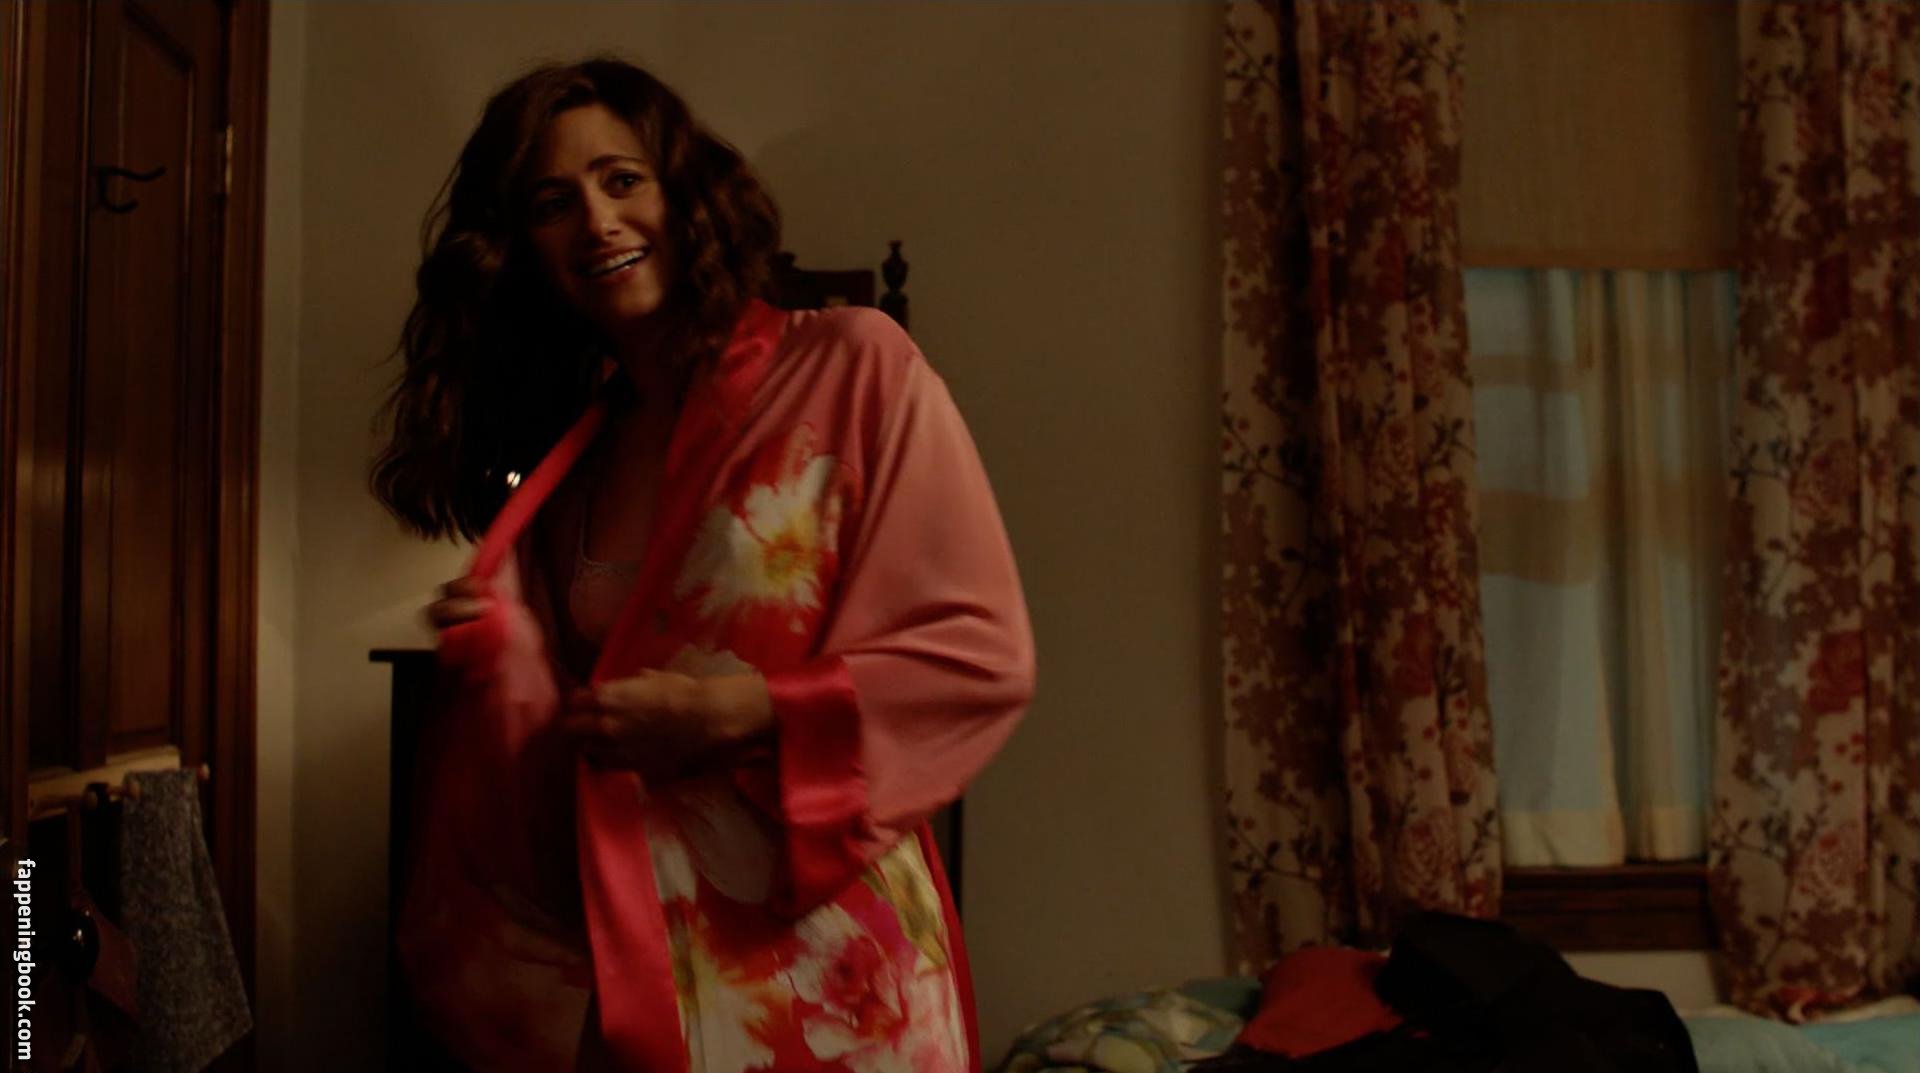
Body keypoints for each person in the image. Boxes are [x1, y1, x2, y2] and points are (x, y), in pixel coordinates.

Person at [369, 56, 1034, 1073]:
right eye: (553, 203)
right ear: (521, 247)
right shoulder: (572, 465)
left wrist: (734, 712)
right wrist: (505, 655)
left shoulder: (852, 364)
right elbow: (551, 756)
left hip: (838, 973)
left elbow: (978, 653)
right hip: (651, 962)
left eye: (622, 180)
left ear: (684, 191)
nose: (597, 221)